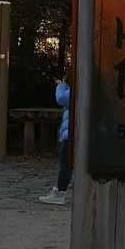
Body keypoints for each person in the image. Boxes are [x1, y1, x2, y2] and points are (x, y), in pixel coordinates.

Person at [39, 72, 71, 206]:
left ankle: (60, 192)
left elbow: (62, 98)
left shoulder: (81, 85)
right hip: (69, 131)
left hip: (71, 133)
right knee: (67, 164)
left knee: (66, 164)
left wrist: (61, 86)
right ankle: (60, 191)